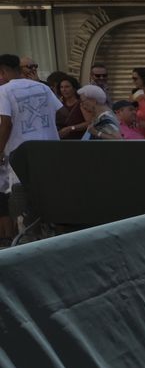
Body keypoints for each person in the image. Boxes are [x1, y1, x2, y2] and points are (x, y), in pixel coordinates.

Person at [0, 53, 62, 240]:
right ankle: (56, 235)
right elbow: (62, 114)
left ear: (2, 71)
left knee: (21, 197)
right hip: (50, 150)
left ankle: (28, 239)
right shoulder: (42, 87)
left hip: (22, 152)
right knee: (51, 194)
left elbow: (6, 123)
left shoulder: (4, 91)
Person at [54, 75, 89, 140]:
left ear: (74, 88)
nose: (64, 90)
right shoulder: (58, 104)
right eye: (61, 87)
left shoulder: (82, 104)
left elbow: (89, 123)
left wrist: (71, 128)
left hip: (78, 140)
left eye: (67, 87)